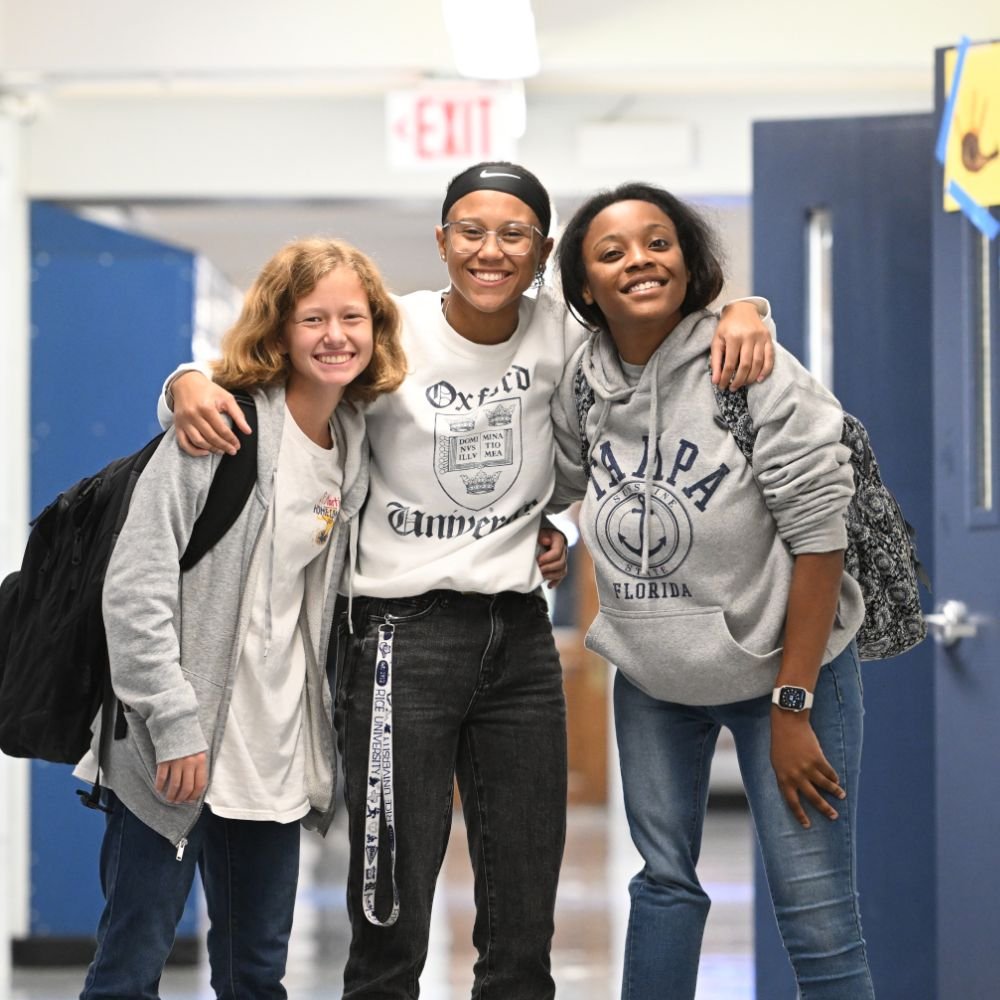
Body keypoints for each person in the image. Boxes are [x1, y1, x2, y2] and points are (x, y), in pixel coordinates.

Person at [161, 162, 775, 1000]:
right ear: (443, 241)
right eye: (473, 232)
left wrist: (747, 307)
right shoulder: (394, 330)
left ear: (545, 250)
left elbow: (665, 330)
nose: (492, 251)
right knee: (390, 909)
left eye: (515, 234)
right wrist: (184, 382)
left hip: (520, 640)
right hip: (396, 641)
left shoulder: (564, 333)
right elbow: (271, 371)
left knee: (525, 916)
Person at [549, 182, 875, 999]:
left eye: (658, 243)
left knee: (816, 913)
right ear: (586, 286)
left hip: (785, 673)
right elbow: (542, 481)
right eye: (612, 251)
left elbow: (821, 536)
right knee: (661, 886)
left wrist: (794, 703)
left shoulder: (752, 368)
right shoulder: (583, 383)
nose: (639, 261)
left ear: (690, 262)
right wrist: (548, 533)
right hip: (656, 678)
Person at [76, 237, 406, 1000]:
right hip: (174, 749)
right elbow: (134, 586)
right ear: (279, 330)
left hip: (274, 751)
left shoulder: (352, 444)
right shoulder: (220, 431)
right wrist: (172, 719)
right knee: (130, 969)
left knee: (256, 977)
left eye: (352, 317)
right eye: (313, 318)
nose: (335, 336)